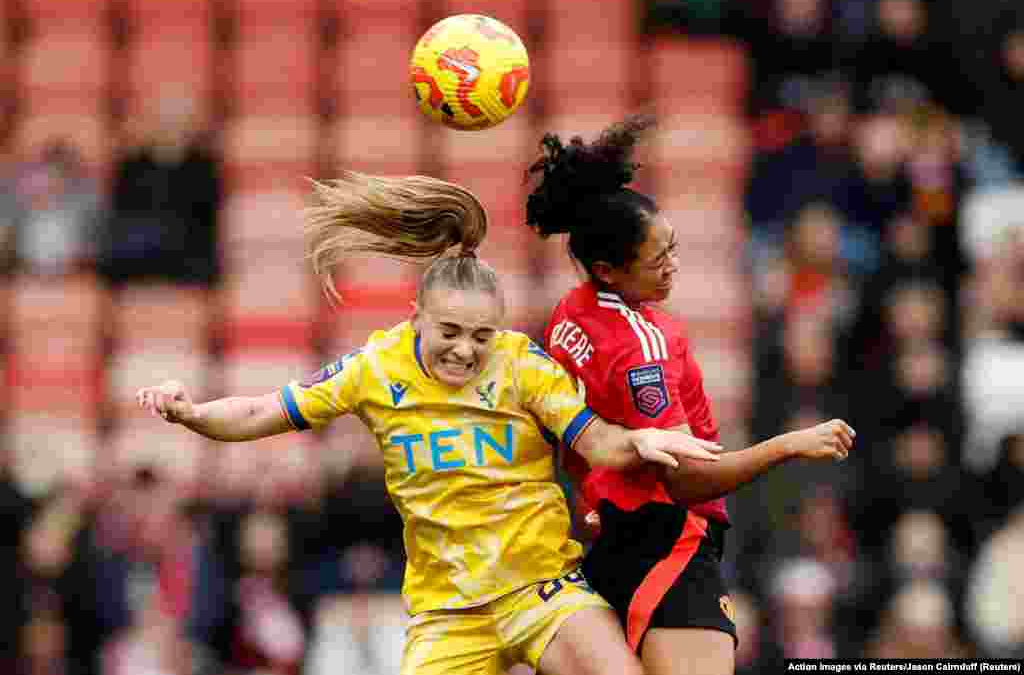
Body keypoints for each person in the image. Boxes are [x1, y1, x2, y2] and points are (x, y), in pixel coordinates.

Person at [136, 171, 725, 675]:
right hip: (447, 615)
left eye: (480, 336)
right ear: (416, 317)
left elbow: (596, 442)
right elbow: (263, 410)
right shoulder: (375, 367)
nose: (465, 351)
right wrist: (192, 415)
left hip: (541, 590)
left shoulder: (522, 363)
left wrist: (641, 438)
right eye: (449, 332)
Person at [526, 116, 856, 675]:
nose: (673, 266)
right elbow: (684, 479)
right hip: (667, 541)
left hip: (606, 536)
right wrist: (788, 445)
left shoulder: (569, 313)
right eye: (657, 261)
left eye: (672, 248)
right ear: (608, 269)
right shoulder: (643, 347)